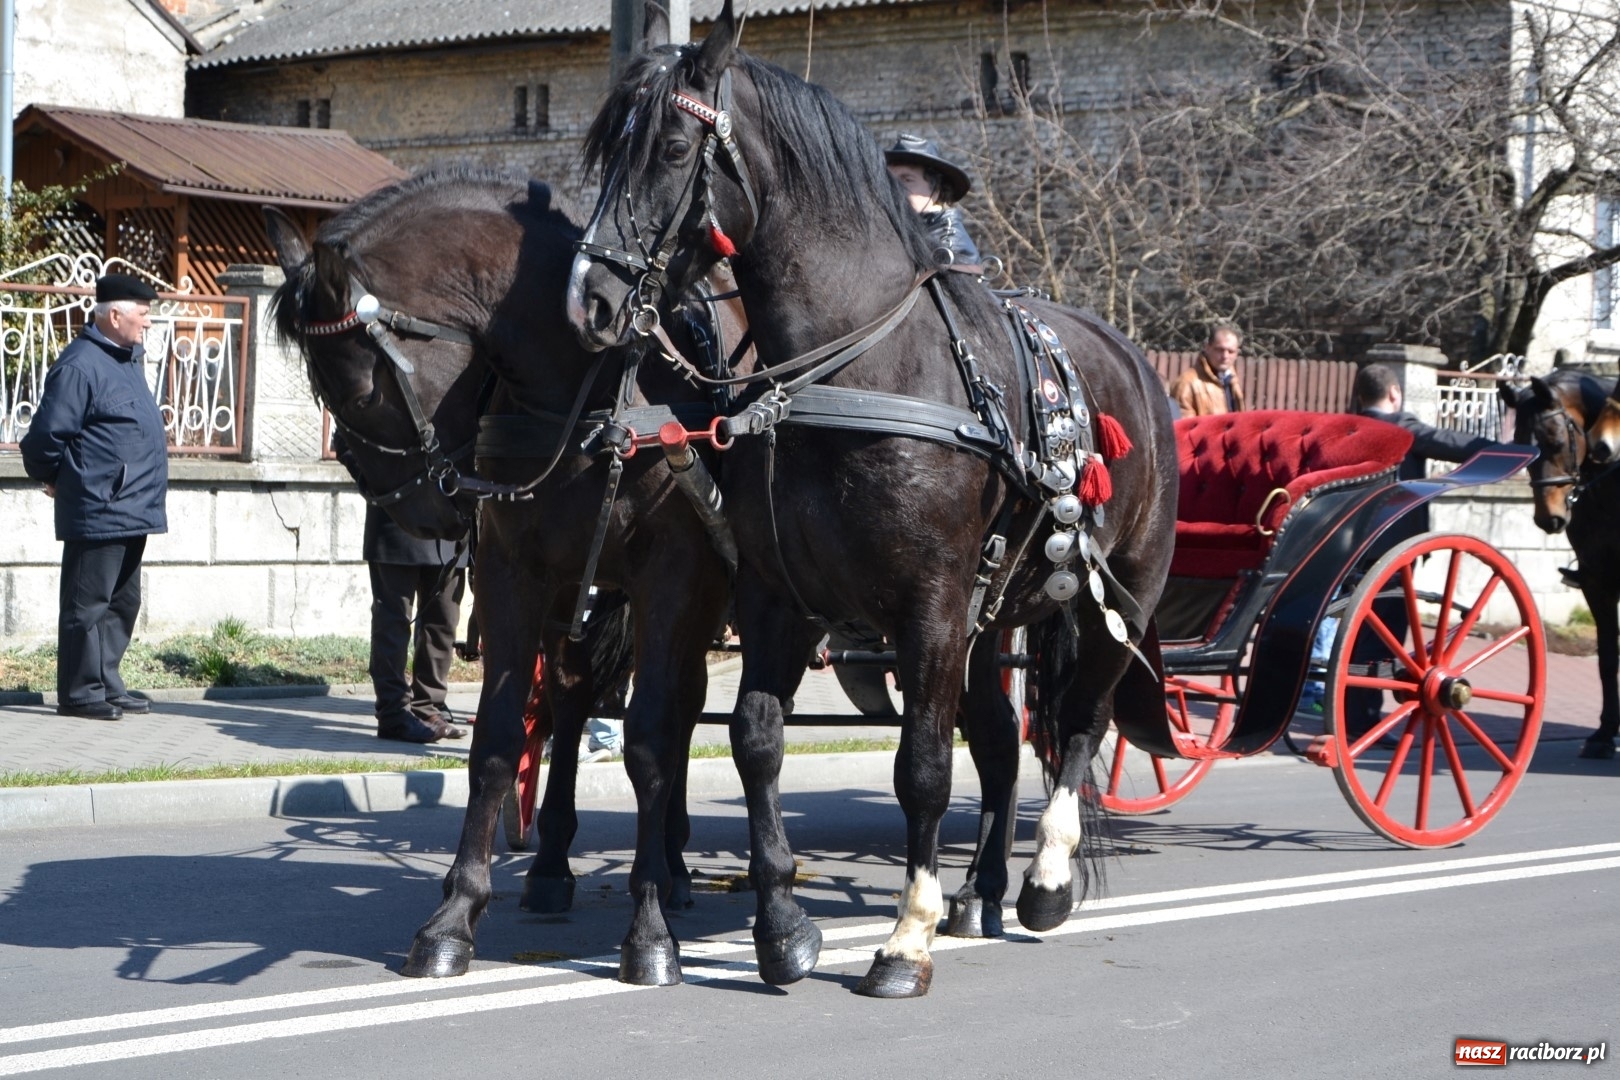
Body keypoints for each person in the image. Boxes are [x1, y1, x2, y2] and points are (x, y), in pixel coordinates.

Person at [20, 273, 169, 721]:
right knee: (87, 607)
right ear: (115, 314)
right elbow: (46, 436)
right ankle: (80, 693)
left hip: (132, 507)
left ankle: (106, 683)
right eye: (143, 315)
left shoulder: (125, 360)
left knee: (122, 603)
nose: (147, 323)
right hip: (100, 505)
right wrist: (52, 477)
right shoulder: (81, 364)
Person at [1339, 362, 1511, 741]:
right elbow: (1456, 444)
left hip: (1346, 548)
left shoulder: (1346, 431)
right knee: (1384, 636)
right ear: (1395, 394)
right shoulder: (1404, 429)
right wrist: (1509, 452)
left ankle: (1344, 711)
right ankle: (1361, 720)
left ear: (1360, 395)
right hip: (1393, 550)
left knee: (1354, 631)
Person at [334, 437, 470, 744]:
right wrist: (381, 485)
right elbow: (344, 441)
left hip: (450, 525)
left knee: (443, 622)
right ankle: (394, 713)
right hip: (395, 523)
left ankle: (428, 708)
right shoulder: (385, 388)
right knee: (392, 623)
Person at [884, 133, 985, 273]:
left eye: (906, 180)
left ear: (936, 189)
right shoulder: (892, 233)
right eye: (890, 180)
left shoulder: (953, 246)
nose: (894, 188)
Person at [1169, 323, 1246, 416]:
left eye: (1231, 351)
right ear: (1207, 348)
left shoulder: (1232, 381)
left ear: (1237, 353)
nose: (1225, 356)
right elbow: (1182, 427)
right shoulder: (1186, 384)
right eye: (1219, 350)